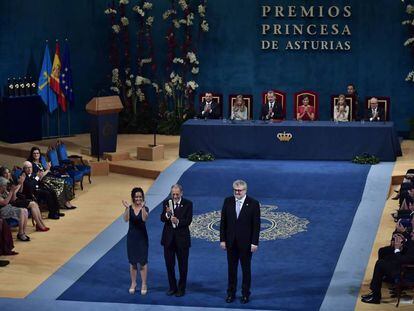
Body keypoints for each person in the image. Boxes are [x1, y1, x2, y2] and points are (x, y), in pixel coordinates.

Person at [220, 179, 261, 304]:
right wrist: (222, 240)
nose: (237, 192)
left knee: (245, 270)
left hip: (246, 244)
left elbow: (256, 225)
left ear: (245, 190)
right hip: (231, 243)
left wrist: (255, 243)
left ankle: (245, 294)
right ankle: (231, 294)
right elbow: (223, 223)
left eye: (240, 190)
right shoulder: (227, 201)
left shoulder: (253, 203)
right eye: (235, 190)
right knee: (231, 270)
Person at [361, 231, 414, 304]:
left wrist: (397, 249)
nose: (411, 234)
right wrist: (402, 240)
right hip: (404, 266)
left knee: (380, 264)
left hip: (406, 272)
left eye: (413, 233)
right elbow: (409, 247)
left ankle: (375, 296)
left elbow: (404, 260)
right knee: (383, 251)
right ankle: (378, 286)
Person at [160, 184, 193, 297]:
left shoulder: (188, 204)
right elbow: (162, 218)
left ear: (181, 193)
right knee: (169, 265)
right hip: (168, 240)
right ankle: (172, 287)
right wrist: (167, 215)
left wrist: (177, 221)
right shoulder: (167, 203)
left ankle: (181, 288)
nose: (174, 196)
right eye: (173, 194)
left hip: (182, 240)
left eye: (177, 194)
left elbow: (188, 221)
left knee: (183, 266)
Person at [0, 166, 49, 231]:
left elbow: (20, 190)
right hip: (15, 200)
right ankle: (40, 225)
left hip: (17, 198)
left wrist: (21, 183)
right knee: (33, 204)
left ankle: (41, 224)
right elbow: (30, 186)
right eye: (5, 173)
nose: (8, 174)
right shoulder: (3, 182)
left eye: (30, 167)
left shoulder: (11, 179)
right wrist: (21, 183)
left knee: (35, 203)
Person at [123, 187, 149, 295]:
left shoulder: (145, 208)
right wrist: (127, 208)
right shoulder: (129, 208)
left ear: (142, 197)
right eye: (136, 196)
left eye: (140, 196)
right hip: (132, 238)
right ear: (133, 197)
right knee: (133, 262)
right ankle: (133, 283)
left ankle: (143, 284)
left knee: (142, 262)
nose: (138, 198)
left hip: (142, 238)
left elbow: (144, 218)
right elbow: (125, 219)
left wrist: (142, 207)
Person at [0, 177, 30, 241]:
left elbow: (13, 199)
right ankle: (20, 233)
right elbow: (4, 203)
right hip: (3, 211)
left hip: (9, 208)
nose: (6, 187)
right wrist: (11, 191)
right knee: (21, 211)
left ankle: (23, 232)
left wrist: (13, 192)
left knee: (25, 210)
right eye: (5, 185)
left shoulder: (4, 191)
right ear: (1, 186)